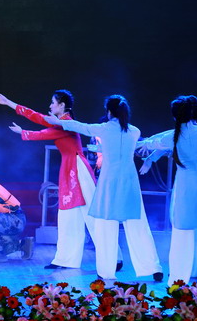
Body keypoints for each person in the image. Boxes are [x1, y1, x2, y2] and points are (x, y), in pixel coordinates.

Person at [45, 95, 162, 281]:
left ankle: (106, 271)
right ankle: (152, 267)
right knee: (138, 225)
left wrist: (57, 121)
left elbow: (80, 126)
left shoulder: (104, 129)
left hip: (109, 182)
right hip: (129, 183)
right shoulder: (134, 131)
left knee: (105, 226)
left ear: (108, 111)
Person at [0, 90, 103, 270]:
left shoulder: (66, 124)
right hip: (69, 168)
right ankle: (65, 259)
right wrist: (9, 103)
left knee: (92, 213)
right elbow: (37, 117)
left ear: (62, 105)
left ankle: (112, 256)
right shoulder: (60, 122)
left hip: (78, 169)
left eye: (53, 102)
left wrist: (23, 132)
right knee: (68, 216)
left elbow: (43, 133)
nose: (50, 106)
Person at [139, 96, 197, 289]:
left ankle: (177, 281)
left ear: (174, 116)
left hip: (186, 189)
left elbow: (157, 141)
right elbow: (176, 133)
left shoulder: (171, 137)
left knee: (182, 236)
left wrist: (146, 146)